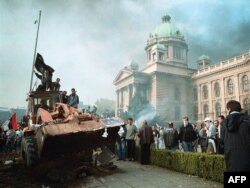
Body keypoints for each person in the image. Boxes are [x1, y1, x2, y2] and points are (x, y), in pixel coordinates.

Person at [221, 100, 250, 172]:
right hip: (246, 157)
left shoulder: (224, 123)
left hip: (230, 157)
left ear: (229, 109)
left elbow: (222, 141)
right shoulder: (247, 120)